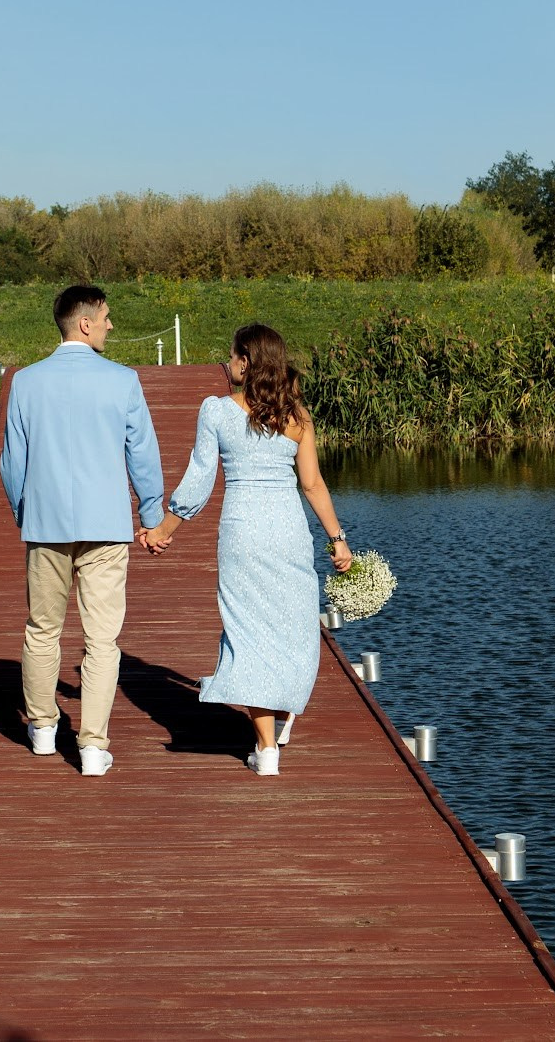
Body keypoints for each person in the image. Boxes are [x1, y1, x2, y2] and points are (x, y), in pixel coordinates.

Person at [141, 323, 352, 777]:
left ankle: (266, 747)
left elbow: (200, 480)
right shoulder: (297, 417)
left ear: (244, 362)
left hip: (243, 534)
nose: (228, 362)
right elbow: (312, 484)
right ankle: (284, 712)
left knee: (249, 632)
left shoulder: (216, 411)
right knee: (294, 626)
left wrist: (164, 528)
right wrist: (338, 539)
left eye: (231, 355)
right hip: (289, 533)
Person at [0, 283, 167, 778]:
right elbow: (143, 454)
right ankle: (93, 746)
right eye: (107, 317)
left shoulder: (26, 382)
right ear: (86, 322)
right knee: (102, 639)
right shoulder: (123, 380)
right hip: (106, 525)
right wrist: (151, 516)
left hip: (45, 523)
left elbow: (13, 464)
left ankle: (44, 729)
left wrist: (24, 512)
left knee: (42, 628)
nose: (112, 325)